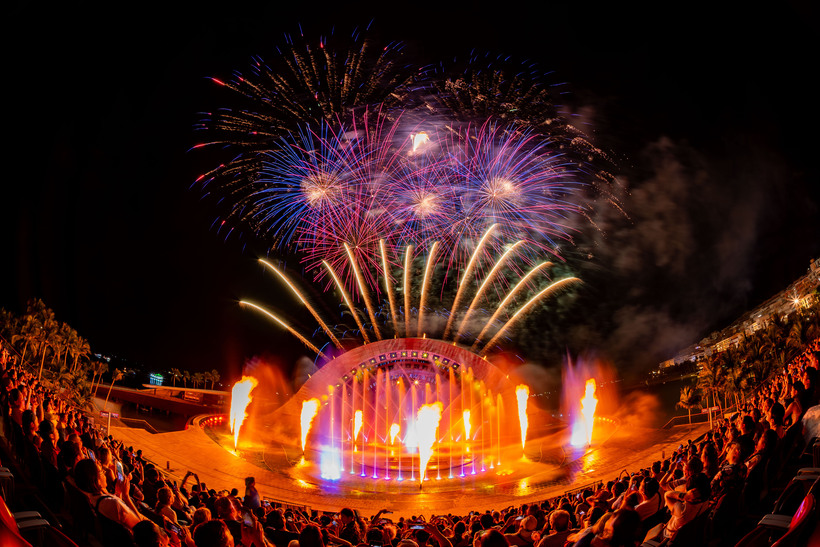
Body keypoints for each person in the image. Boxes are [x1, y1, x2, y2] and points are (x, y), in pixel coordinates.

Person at [74, 458, 144, 531]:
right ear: (96, 480)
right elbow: (140, 526)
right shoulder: (114, 504)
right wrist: (126, 497)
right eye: (101, 471)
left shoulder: (93, 498)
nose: (104, 472)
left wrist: (118, 492)